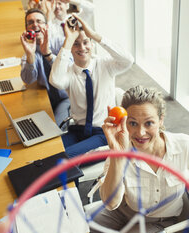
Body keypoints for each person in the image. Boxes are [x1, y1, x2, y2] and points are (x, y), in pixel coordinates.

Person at [89, 86, 189, 233]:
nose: (140, 133)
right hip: (123, 210)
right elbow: (111, 203)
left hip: (159, 221)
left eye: (149, 123)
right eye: (132, 123)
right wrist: (119, 155)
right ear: (124, 123)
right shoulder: (120, 148)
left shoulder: (183, 145)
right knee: (71, 231)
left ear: (160, 120)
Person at [49, 14, 134, 160]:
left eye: (86, 42)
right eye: (76, 43)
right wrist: (68, 41)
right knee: (48, 152)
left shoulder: (106, 65)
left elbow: (128, 60)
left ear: (92, 44)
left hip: (103, 132)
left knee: (65, 158)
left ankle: (69, 183)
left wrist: (94, 35)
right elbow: (55, 80)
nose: (82, 48)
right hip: (77, 130)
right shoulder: (69, 73)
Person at [20, 8, 70, 127]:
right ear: (27, 29)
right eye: (30, 22)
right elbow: (28, 80)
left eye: (39, 21)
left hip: (66, 97)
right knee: (31, 126)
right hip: (48, 97)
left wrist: (47, 54)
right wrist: (30, 55)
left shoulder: (61, 43)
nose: (35, 25)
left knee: (56, 128)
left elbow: (68, 71)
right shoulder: (29, 51)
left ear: (47, 26)